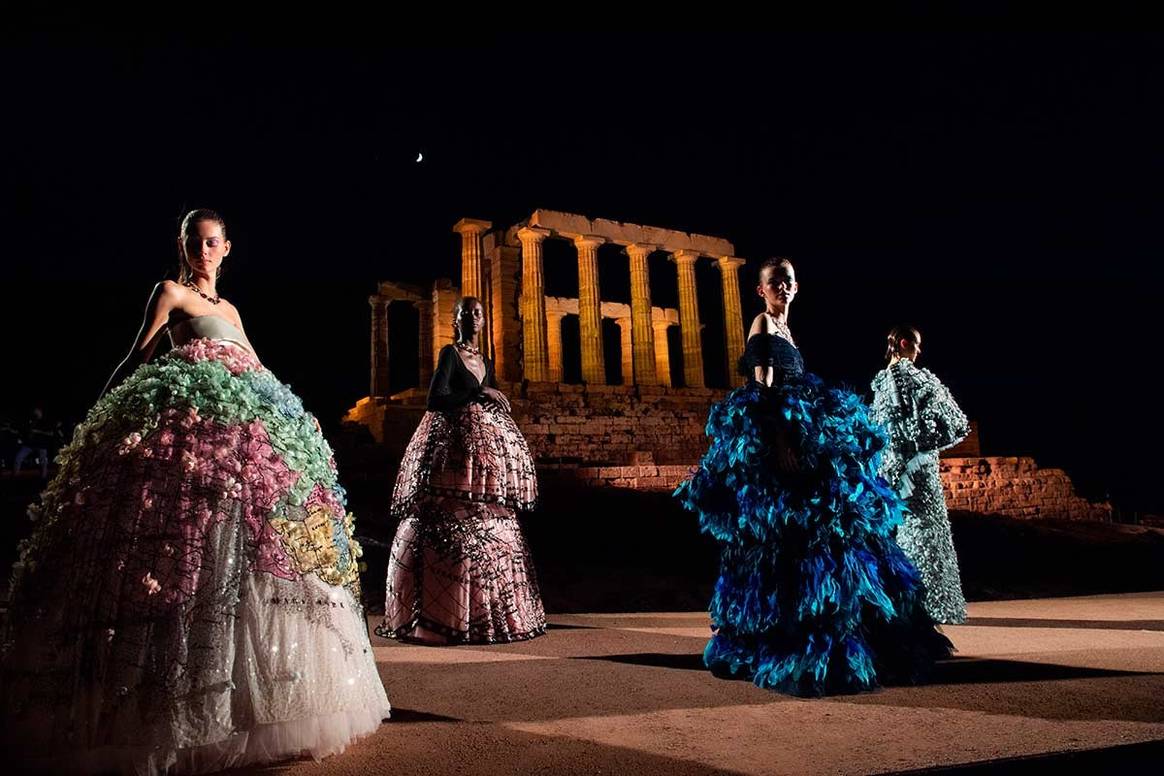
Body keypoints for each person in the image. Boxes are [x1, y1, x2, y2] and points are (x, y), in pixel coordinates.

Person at [1, 209, 390, 773]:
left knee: (256, 553)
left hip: (248, 439)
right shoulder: (170, 293)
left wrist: (289, 421)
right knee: (189, 547)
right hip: (194, 435)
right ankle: (176, 705)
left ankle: (254, 698)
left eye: (212, 242)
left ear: (227, 248)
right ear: (182, 246)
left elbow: (258, 365)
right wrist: (101, 416)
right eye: (194, 242)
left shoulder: (231, 310)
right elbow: (141, 353)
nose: (203, 250)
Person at [675, 257, 951, 696]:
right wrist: (782, 441)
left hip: (806, 428)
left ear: (796, 286)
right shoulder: (763, 324)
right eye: (773, 282)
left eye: (787, 281)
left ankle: (845, 627)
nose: (781, 287)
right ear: (760, 290)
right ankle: (784, 634)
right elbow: (763, 386)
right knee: (791, 537)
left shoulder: (786, 328)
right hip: (782, 432)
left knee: (837, 528)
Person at [377, 296, 544, 644]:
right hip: (453, 447)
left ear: (484, 320)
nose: (473, 318)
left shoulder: (486, 360)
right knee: (444, 518)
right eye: (466, 313)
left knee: (494, 521)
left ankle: (490, 614)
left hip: (484, 453)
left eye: (478, 313)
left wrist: (488, 395)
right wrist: (480, 392)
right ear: (456, 320)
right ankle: (441, 614)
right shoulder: (450, 355)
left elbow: (492, 394)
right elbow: (436, 399)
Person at [870, 326, 970, 624]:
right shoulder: (914, 375)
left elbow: (880, 432)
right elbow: (957, 423)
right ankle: (926, 610)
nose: (919, 351)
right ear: (904, 343)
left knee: (903, 536)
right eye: (917, 345)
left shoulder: (880, 382)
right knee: (927, 534)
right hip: (918, 470)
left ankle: (906, 610)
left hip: (892, 473)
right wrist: (925, 443)